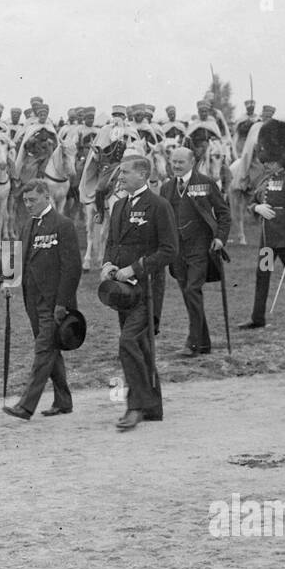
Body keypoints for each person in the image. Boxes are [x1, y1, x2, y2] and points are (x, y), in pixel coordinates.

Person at [99, 154, 178, 429]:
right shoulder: (119, 205)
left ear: (143, 175)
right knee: (141, 346)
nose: (119, 178)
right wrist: (108, 263)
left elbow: (169, 250)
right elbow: (112, 242)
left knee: (128, 343)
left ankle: (135, 407)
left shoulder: (159, 205)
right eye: (120, 174)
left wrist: (135, 268)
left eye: (125, 174)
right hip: (122, 291)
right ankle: (153, 408)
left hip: (146, 290)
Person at [2, 178, 82, 419]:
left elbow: (73, 268)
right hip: (32, 301)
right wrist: (8, 281)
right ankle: (63, 401)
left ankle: (26, 405)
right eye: (25, 200)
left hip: (53, 302)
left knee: (43, 350)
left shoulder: (63, 224)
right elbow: (22, 260)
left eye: (33, 200)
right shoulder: (28, 225)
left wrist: (63, 303)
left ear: (47, 197)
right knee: (50, 349)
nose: (28, 204)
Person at [239, 122, 285, 329]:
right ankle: (257, 318)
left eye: (270, 161)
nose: (266, 165)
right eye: (266, 161)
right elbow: (253, 202)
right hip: (268, 243)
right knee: (262, 276)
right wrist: (256, 209)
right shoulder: (264, 181)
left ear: (280, 161)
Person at [165, 145, 229, 357]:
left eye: (180, 162)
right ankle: (204, 343)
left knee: (193, 290)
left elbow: (223, 213)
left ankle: (192, 343)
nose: (176, 165)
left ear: (192, 162)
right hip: (177, 250)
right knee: (188, 293)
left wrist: (220, 238)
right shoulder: (167, 188)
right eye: (174, 161)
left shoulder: (206, 183)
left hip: (200, 247)